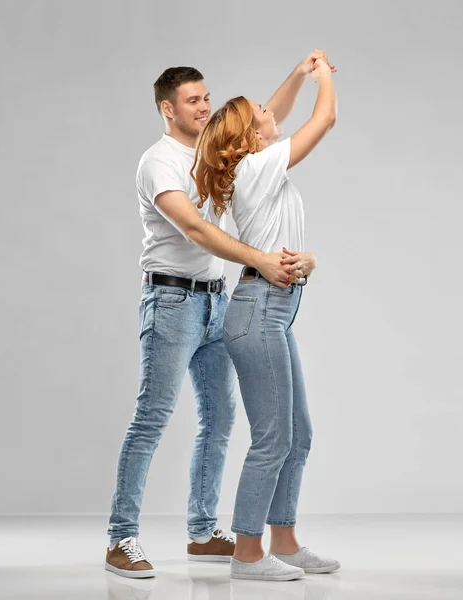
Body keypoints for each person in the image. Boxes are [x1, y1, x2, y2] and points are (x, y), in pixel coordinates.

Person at [104, 54, 334, 579]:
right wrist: (262, 260)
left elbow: (260, 122)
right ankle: (122, 537)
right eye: (193, 101)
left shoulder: (215, 152)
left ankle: (204, 531)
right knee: (152, 418)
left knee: (221, 421)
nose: (205, 107)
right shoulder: (158, 162)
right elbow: (197, 230)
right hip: (171, 301)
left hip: (216, 299)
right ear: (168, 109)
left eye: (207, 98)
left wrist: (298, 74)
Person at [192, 55, 340, 581]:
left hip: (271, 310)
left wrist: (299, 73)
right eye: (262, 112)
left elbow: (286, 248)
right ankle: (248, 554)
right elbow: (322, 121)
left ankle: (284, 540)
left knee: (298, 437)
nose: (271, 110)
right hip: (258, 314)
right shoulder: (257, 165)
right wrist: (323, 75)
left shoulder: (253, 165)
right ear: (253, 136)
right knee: (273, 438)